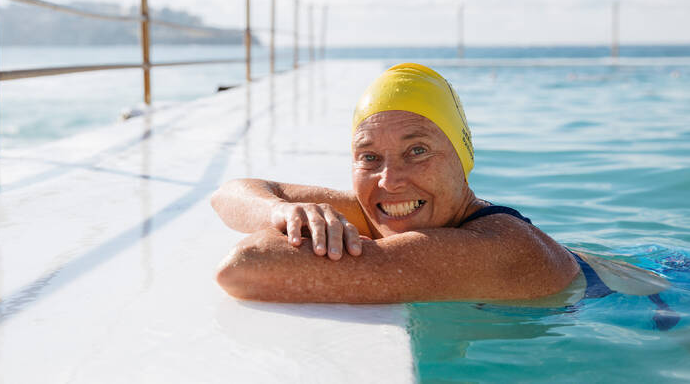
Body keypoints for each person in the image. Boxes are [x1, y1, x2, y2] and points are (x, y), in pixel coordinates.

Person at [212, 63, 670, 305]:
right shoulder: (402, 206)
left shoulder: (492, 247)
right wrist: (279, 212)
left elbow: (247, 267)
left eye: (418, 151)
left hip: (651, 307)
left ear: (462, 158)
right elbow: (230, 191)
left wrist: (287, 229)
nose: (390, 180)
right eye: (369, 157)